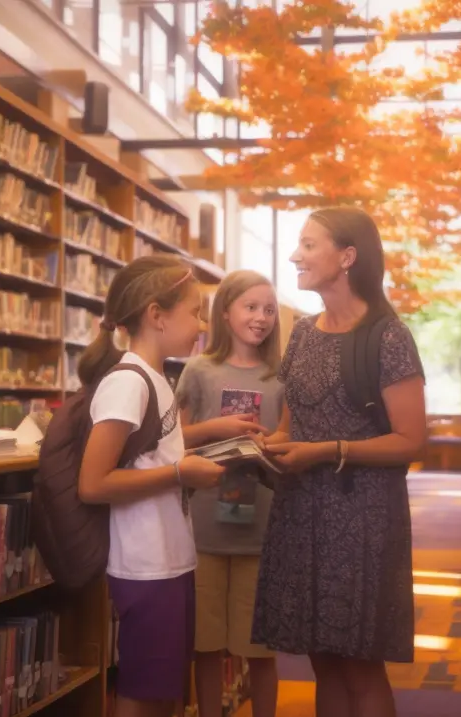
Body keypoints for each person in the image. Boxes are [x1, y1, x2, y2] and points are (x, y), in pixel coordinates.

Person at [252, 207, 427, 717]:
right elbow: (292, 424)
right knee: (322, 661)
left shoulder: (389, 337)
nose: (294, 256)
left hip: (362, 521)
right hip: (300, 515)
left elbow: (411, 439)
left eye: (308, 245)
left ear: (347, 257)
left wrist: (327, 452)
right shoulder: (303, 333)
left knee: (360, 665)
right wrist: (271, 446)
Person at [76, 254, 226, 717]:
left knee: (165, 692)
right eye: (195, 312)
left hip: (170, 558)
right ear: (156, 316)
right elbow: (94, 483)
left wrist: (211, 435)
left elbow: (153, 449)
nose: (202, 325)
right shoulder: (128, 381)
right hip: (144, 565)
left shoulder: (157, 378)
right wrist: (181, 474)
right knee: (142, 692)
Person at [175, 270, 283, 717]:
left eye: (269, 310)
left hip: (261, 527)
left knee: (260, 648)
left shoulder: (280, 376)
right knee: (206, 644)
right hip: (203, 528)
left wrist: (270, 447)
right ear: (225, 312)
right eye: (251, 307)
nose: (261, 318)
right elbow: (175, 439)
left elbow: (288, 441)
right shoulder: (199, 370)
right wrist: (218, 429)